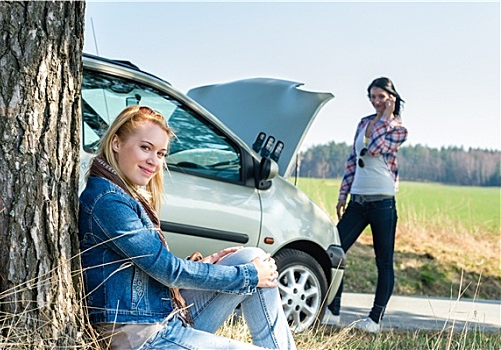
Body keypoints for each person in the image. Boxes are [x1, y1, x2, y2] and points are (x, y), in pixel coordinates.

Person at [78, 105, 297, 349]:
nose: (154, 161)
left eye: (161, 153)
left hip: (162, 318)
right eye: (145, 148)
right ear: (116, 144)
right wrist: (249, 275)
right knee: (252, 271)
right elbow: (168, 271)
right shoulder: (108, 201)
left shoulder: (123, 193)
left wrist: (207, 265)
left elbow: (150, 269)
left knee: (251, 257)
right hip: (143, 338)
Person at [323, 77, 408, 333]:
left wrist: (385, 117)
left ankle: (374, 319)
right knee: (335, 251)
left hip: (382, 201)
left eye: (381, 97)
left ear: (391, 97)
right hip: (357, 201)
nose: (376, 101)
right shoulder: (363, 122)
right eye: (372, 97)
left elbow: (373, 148)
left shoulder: (398, 129)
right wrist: (342, 195)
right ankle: (333, 310)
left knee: (383, 261)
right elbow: (353, 159)